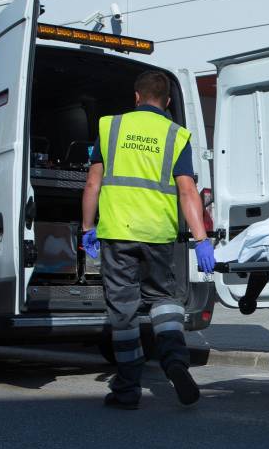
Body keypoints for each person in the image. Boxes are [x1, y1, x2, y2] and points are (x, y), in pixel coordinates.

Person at [81, 71, 216, 410]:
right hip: (158, 235)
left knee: (123, 312)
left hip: (117, 233)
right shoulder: (176, 134)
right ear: (168, 102)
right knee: (165, 301)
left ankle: (127, 388)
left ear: (137, 97)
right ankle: (174, 361)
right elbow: (187, 190)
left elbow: (92, 184)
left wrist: (86, 227)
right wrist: (201, 239)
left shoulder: (110, 127)